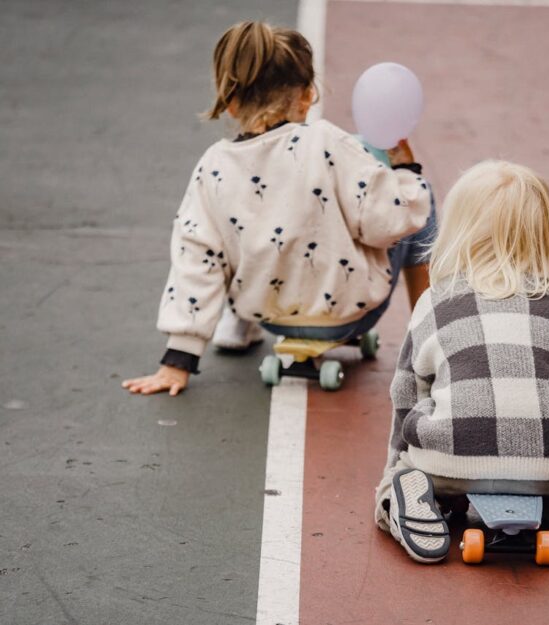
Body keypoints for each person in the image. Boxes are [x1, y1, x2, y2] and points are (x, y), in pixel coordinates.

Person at [122, 21, 435, 396]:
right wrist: (405, 169)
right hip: (345, 317)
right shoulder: (327, 143)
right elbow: (390, 222)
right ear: (307, 96)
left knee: (237, 230)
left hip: (271, 317)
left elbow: (197, 255)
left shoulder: (214, 164)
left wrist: (178, 360)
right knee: (417, 199)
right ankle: (427, 336)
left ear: (232, 104)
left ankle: (238, 323)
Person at [374, 160, 549, 563]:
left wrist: (395, 469)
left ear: (457, 231)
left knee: (409, 467)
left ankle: (405, 495)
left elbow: (405, 392)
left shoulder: (434, 304)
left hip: (447, 463)